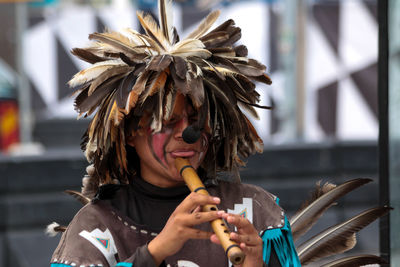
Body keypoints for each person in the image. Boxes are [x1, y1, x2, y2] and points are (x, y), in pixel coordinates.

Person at [50, 1, 301, 266]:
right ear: (130, 134)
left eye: (196, 120)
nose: (187, 134)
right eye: (168, 122)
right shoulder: (95, 227)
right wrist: (155, 251)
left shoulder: (256, 212)